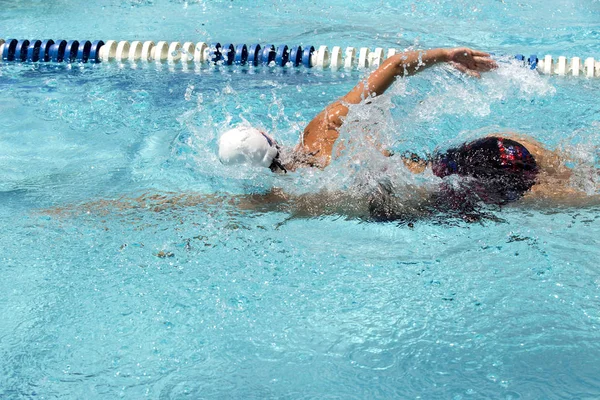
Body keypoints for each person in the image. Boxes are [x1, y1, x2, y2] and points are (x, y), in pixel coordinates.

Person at [217, 47, 597, 220]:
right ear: (267, 134)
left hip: (463, 189)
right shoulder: (323, 125)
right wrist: (448, 56)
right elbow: (397, 63)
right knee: (579, 169)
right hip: (485, 151)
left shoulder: (300, 196)